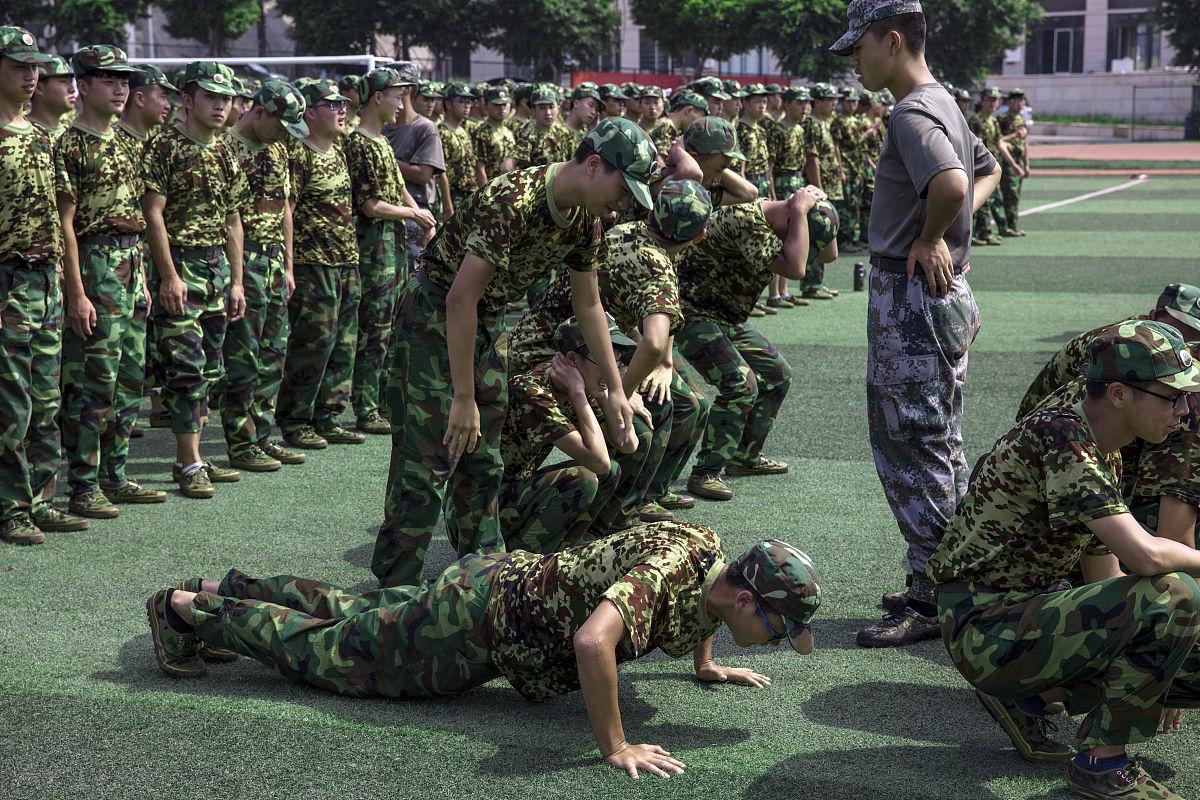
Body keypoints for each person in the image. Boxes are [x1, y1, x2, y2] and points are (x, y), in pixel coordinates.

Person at [146, 522, 821, 780]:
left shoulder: (711, 561)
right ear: (744, 602)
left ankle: (223, 586)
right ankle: (186, 612)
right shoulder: (669, 573)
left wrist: (706, 663)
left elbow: (694, 606)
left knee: (357, 612)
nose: (778, 644)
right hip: (477, 627)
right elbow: (593, 643)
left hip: (493, 582)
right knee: (336, 657)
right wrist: (616, 747)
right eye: (778, 629)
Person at [375, 117, 655, 588]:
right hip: (433, 315)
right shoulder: (514, 201)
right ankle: (394, 590)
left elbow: (589, 304)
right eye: (623, 190)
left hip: (486, 319)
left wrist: (613, 389)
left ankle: (482, 576)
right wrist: (463, 396)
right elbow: (459, 297)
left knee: (484, 457)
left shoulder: (586, 223)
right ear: (592, 166)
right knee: (425, 459)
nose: (623, 205)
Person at [927, 320, 1200, 800]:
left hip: (1023, 617)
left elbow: (1107, 571)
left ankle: (1037, 697)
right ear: (1118, 394)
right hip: (984, 625)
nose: (1184, 410)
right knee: (1175, 593)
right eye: (1171, 397)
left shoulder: (1102, 446)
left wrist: (1157, 662)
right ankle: (1101, 764)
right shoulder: (1062, 437)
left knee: (1186, 640)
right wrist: (1161, 624)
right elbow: (1146, 554)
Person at [830, 0, 1001, 646]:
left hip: (913, 303)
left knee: (910, 443)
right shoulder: (944, 101)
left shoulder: (912, 110)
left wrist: (934, 235)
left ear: (892, 39)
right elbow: (987, 171)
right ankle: (944, 578)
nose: (853, 61)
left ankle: (936, 601)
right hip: (939, 297)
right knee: (940, 443)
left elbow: (957, 182)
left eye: (859, 48)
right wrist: (949, 234)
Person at [56, 44, 166, 521]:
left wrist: (141, 278)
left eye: (124, 79)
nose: (121, 87)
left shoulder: (128, 141)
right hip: (94, 261)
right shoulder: (70, 144)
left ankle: (115, 476)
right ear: (82, 85)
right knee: (92, 383)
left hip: (129, 265)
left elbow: (140, 215)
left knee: (129, 379)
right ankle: (83, 484)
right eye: (108, 79)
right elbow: (65, 224)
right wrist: (77, 293)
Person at [678, 190, 839, 503]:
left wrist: (815, 206)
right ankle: (705, 472)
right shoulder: (746, 220)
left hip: (726, 317)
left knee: (777, 373)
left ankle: (745, 457)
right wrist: (802, 213)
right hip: (691, 313)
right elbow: (796, 268)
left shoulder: (790, 218)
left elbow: (827, 255)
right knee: (741, 384)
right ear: (792, 220)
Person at [141, 60, 249, 498]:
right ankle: (189, 463)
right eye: (211, 97)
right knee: (185, 371)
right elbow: (153, 214)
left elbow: (233, 220)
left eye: (226, 98)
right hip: (181, 267)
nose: (221, 106)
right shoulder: (166, 147)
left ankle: (193, 456)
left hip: (216, 272)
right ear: (187, 100)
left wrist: (237, 280)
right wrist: (167, 275)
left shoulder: (226, 150)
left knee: (209, 368)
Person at [0, 27, 78, 545]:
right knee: (11, 404)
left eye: (36, 68)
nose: (32, 76)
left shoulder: (43, 137)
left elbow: (63, 216)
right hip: (6, 280)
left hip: (45, 280)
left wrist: (73, 288)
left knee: (46, 399)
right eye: (20, 67)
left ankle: (43, 499)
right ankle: (10, 508)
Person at [216, 79, 311, 471]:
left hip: (273, 261)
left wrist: (288, 265)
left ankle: (261, 435)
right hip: (243, 261)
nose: (284, 134)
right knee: (243, 358)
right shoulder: (224, 148)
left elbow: (286, 207)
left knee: (274, 354)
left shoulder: (277, 146)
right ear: (258, 112)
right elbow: (224, 218)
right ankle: (240, 442)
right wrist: (235, 277)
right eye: (281, 124)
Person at [346, 68, 435, 437]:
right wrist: (415, 213)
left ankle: (382, 401)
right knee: (374, 329)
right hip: (373, 250)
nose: (402, 103)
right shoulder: (359, 144)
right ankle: (365, 406)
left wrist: (424, 219)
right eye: (396, 96)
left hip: (393, 248)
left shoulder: (381, 142)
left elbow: (399, 189)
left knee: (393, 326)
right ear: (376, 98)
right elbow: (371, 206)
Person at [275, 79, 360, 452]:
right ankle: (296, 419)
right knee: (314, 343)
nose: (342, 109)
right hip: (314, 264)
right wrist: (290, 265)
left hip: (346, 261)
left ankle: (327, 415)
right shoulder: (299, 155)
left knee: (344, 343)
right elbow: (286, 212)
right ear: (310, 112)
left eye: (343, 103)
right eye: (332, 104)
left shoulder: (338, 152)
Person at [1017, 283, 1200, 420]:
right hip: (1048, 419)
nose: (1190, 335)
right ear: (1155, 314)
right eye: (1183, 324)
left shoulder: (1151, 342)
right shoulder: (1124, 345)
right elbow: (1094, 402)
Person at [383, 62, 445, 270]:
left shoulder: (424, 128)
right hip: (387, 213)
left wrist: (384, 158)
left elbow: (423, 174)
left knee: (413, 283)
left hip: (415, 214)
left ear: (407, 88)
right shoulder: (383, 128)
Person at [767, 87, 813, 310]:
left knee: (792, 238)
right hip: (782, 181)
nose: (804, 107)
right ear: (787, 105)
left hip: (796, 183)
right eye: (799, 103)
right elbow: (770, 166)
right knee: (778, 238)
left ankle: (784, 291)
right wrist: (773, 194)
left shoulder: (800, 130)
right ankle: (774, 293)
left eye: (806, 103)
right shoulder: (777, 130)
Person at [437, 82, 483, 218]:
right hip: (453, 195)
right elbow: (441, 172)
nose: (467, 105)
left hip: (469, 195)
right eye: (462, 101)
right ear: (448, 105)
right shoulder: (442, 132)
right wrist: (447, 207)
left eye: (468, 102)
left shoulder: (463, 130)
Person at [967, 87, 1005, 247]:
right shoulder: (976, 121)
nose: (993, 102)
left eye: (995, 99)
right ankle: (974, 234)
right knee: (978, 200)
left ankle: (985, 232)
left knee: (990, 200)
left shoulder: (994, 121)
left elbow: (998, 142)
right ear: (982, 101)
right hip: (979, 167)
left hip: (991, 167)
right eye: (989, 99)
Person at [512, 85, 573, 169]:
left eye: (551, 107)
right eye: (542, 108)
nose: (548, 112)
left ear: (558, 109)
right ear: (534, 110)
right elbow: (507, 166)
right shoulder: (529, 134)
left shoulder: (563, 132)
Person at [997, 88, 1030, 237]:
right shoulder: (1003, 118)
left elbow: (1025, 143)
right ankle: (1006, 226)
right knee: (1009, 193)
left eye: (1022, 99)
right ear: (1010, 101)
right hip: (1007, 160)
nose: (1020, 103)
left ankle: (1013, 224)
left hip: (1018, 158)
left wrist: (1027, 164)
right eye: (1017, 99)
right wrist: (1014, 135)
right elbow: (999, 141)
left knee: (1016, 194)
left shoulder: (1021, 119)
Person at [471, 85, 516, 182]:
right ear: (486, 106)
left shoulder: (508, 131)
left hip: (510, 188)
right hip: (493, 189)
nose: (501, 108)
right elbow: (479, 168)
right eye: (496, 105)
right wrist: (486, 194)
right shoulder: (482, 132)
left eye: (505, 104)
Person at [27, 54, 75, 142]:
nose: (72, 89)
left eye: (71, 82)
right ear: (39, 88)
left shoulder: (71, 134)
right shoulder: (23, 133)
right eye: (64, 81)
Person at [648, 90, 706, 158]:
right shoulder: (667, 127)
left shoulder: (668, 124)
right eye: (699, 118)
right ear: (689, 110)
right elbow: (661, 158)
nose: (698, 123)